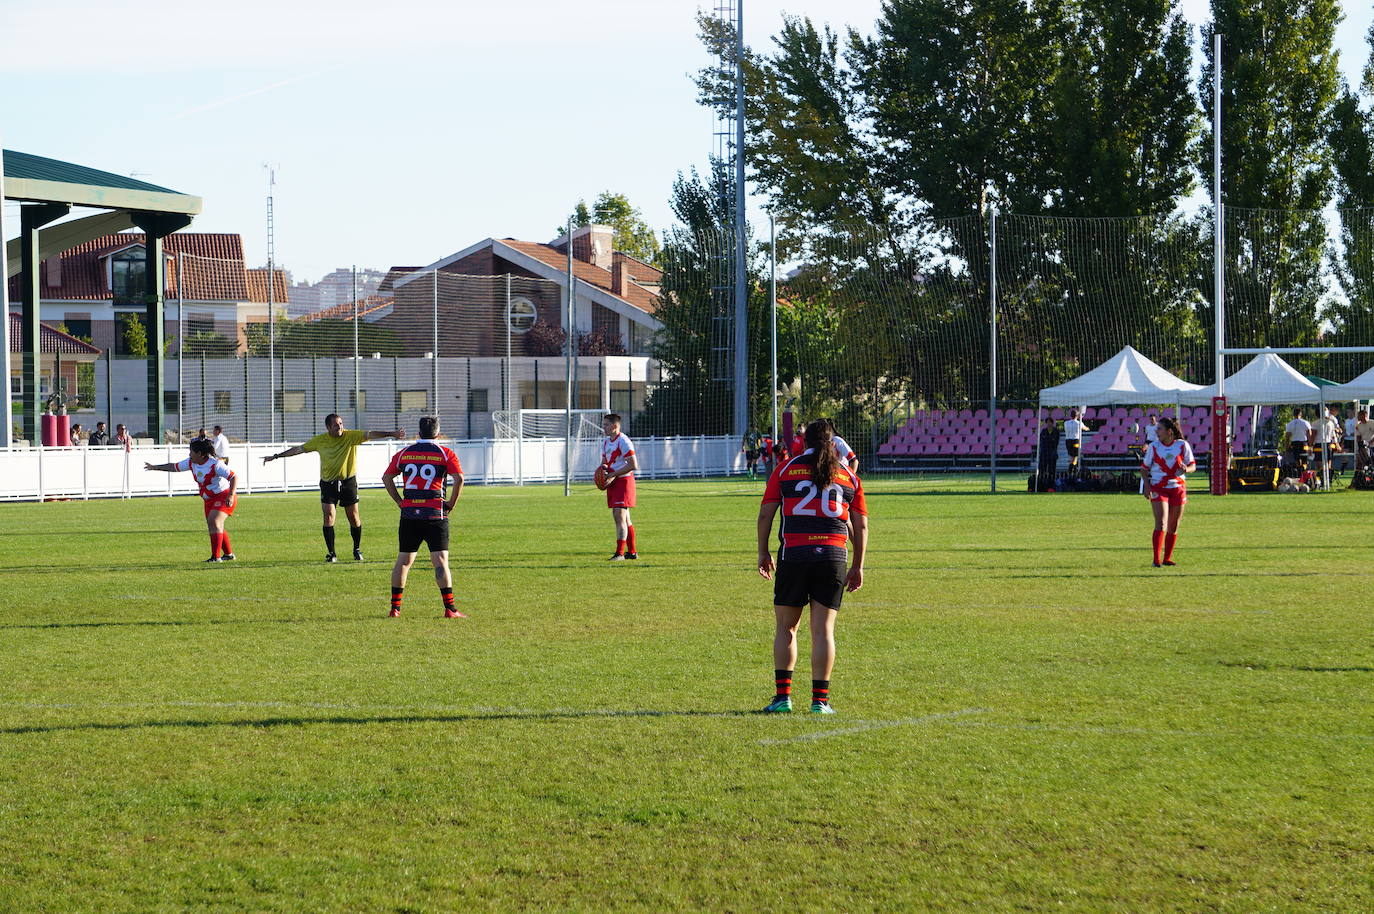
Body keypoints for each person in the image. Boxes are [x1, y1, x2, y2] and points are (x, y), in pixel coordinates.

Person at [756, 419, 867, 715]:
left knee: (786, 627)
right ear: (833, 444)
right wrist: (858, 564)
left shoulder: (785, 468)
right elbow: (860, 524)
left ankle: (783, 699)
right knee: (823, 631)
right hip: (832, 556)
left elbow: (766, 513)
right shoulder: (847, 475)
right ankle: (820, 702)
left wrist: (763, 551)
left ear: (804, 441)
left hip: (794, 554)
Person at [263, 414, 402, 562]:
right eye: (336, 425)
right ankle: (331, 553)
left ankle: (356, 549)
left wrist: (392, 434)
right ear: (328, 427)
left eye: (341, 423)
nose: (340, 426)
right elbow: (298, 450)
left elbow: (371, 434)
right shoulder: (320, 440)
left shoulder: (351, 436)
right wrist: (276, 456)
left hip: (348, 482)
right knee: (329, 516)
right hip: (328, 484)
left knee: (353, 518)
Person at [382, 416, 465, 618]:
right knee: (440, 561)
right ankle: (450, 609)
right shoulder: (445, 454)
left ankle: (395, 609)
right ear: (437, 433)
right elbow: (459, 478)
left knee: (403, 561)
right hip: (435, 513)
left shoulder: (404, 453)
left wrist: (400, 501)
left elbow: (386, 477)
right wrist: (451, 504)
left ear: (418, 432)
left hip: (409, 514)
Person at [144, 437, 238, 562]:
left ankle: (216, 557)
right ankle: (228, 555)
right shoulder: (191, 462)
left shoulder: (215, 464)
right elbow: (174, 467)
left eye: (191, 452)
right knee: (214, 525)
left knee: (214, 522)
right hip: (208, 499)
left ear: (200, 454)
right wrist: (155, 467)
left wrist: (231, 495)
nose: (189, 454)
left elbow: (233, 477)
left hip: (224, 496)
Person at [1140, 416, 1195, 568]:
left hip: (1178, 488)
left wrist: (1186, 469)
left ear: (1169, 432)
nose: (1156, 432)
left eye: (1159, 429)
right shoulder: (1154, 447)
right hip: (1159, 487)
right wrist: (1147, 486)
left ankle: (1167, 558)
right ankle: (1156, 560)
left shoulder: (1183, 445)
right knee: (1161, 522)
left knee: (1174, 524)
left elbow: (1192, 466)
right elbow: (1144, 469)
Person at [601, 413, 639, 560]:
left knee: (619, 516)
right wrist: (603, 471)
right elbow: (605, 462)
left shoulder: (624, 441)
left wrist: (613, 474)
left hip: (623, 481)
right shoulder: (606, 442)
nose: (603, 427)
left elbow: (633, 465)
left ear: (615, 426)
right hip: (613, 481)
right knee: (625, 518)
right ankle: (632, 552)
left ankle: (620, 553)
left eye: (606, 425)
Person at [1063, 408, 1087, 474]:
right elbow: (1085, 428)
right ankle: (1071, 469)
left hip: (1068, 441)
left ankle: (1073, 469)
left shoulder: (1066, 423)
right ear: (1077, 416)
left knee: (1071, 456)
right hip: (1076, 441)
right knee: (1075, 456)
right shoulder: (1079, 423)